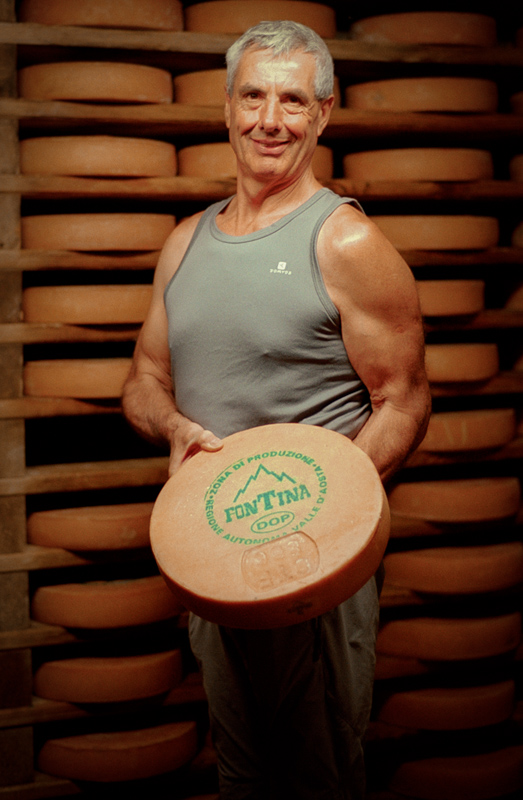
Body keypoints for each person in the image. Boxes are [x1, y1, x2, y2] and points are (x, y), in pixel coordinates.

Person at [122, 19, 431, 800]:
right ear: (226, 108)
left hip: (309, 566)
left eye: (292, 101)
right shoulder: (184, 243)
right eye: (252, 96)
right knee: (243, 771)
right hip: (212, 557)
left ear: (323, 113)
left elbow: (404, 401)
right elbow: (144, 379)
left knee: (316, 775)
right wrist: (171, 425)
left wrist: (321, 513)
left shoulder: (346, 242)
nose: (269, 120)